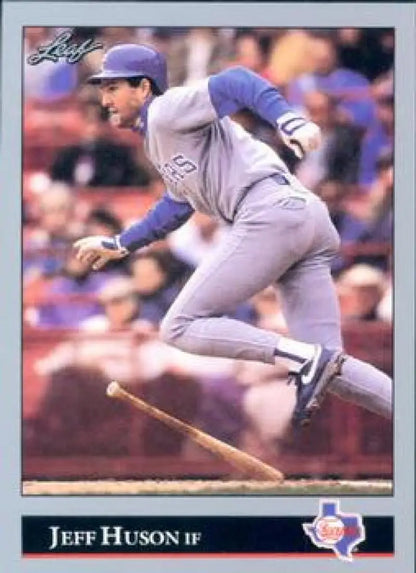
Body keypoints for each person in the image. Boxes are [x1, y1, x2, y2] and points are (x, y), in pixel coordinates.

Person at [74, 43, 392, 427]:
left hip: (270, 213)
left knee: (179, 326)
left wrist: (288, 119)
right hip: (300, 218)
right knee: (335, 371)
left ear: (143, 88)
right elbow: (178, 203)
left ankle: (306, 359)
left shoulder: (164, 109)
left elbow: (237, 80)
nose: (104, 98)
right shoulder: (162, 136)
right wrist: (122, 243)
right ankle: (315, 361)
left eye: (112, 87)